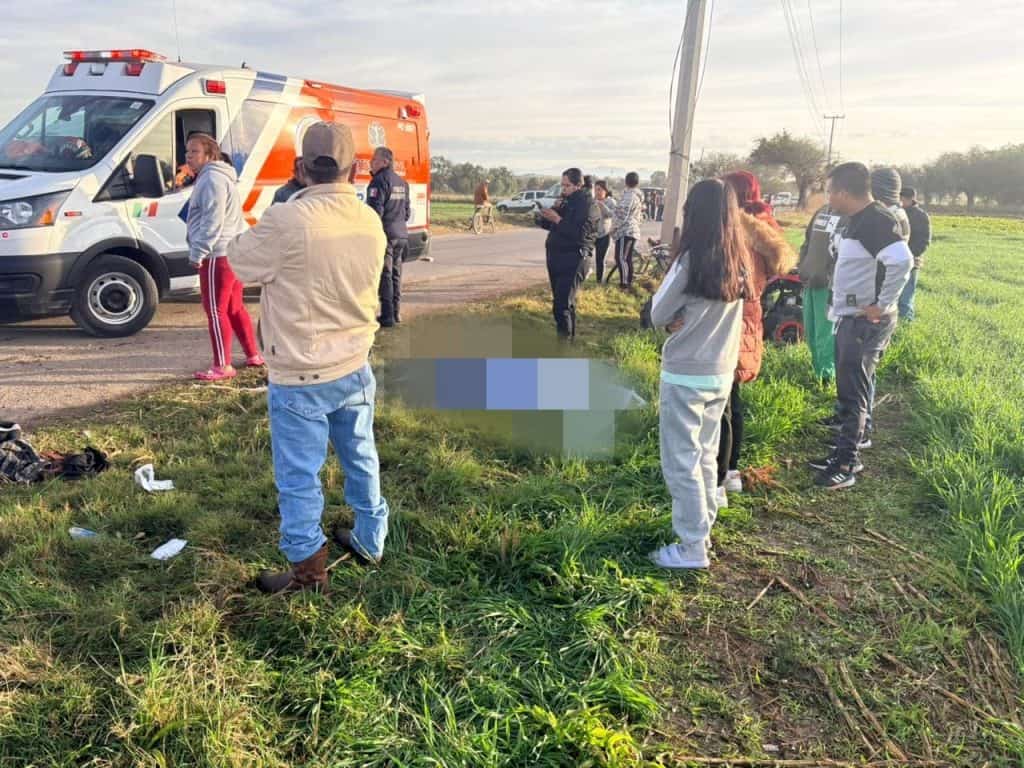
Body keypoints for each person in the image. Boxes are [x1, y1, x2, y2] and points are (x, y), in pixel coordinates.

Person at [227, 121, 390, 593]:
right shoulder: (368, 219)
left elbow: (240, 260)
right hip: (354, 362)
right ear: (356, 169)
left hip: (300, 370)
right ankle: (369, 538)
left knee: (299, 476)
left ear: (300, 168)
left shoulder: (287, 219)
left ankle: (307, 572)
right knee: (362, 455)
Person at [648, 179, 750, 569]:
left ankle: (692, 547)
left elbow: (658, 312)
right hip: (721, 372)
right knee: (706, 455)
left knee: (681, 461)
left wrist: (675, 317)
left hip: (686, 372)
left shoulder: (690, 261)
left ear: (694, 213)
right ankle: (703, 528)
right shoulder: (738, 258)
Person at [809, 162, 912, 490]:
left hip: (865, 323)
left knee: (854, 392)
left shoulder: (877, 221)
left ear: (842, 191)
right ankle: (842, 451)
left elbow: (903, 262)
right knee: (848, 386)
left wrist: (881, 305)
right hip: (849, 318)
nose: (827, 198)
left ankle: (847, 463)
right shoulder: (858, 220)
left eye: (829, 191)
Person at [716, 171, 796, 504]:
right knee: (731, 399)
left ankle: (721, 475)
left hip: (732, 318)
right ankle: (730, 471)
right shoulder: (764, 229)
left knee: (722, 401)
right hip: (750, 318)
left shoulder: (741, 229)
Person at [184, 133, 262, 381]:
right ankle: (253, 355)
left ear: (209, 155)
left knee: (215, 310)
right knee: (234, 307)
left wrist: (199, 251)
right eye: (187, 152)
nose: (189, 157)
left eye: (194, 152)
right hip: (231, 251)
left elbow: (212, 220)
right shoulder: (220, 177)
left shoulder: (211, 181)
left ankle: (222, 365)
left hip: (217, 254)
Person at [538, 168, 600, 340]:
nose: (563, 189)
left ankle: (564, 346)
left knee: (562, 305)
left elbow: (579, 235)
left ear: (578, 185)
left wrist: (558, 219)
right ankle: (566, 340)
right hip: (556, 256)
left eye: (567, 185)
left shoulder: (588, 205)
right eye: (562, 185)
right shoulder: (566, 202)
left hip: (574, 258)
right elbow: (548, 226)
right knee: (561, 303)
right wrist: (549, 213)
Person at [798, 201, 845, 383]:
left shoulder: (849, 216)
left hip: (829, 285)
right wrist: (803, 265)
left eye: (833, 188)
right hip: (810, 280)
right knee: (811, 330)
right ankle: (817, 369)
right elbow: (808, 241)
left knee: (825, 334)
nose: (829, 194)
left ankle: (827, 376)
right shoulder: (822, 211)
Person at [367, 146, 411, 327]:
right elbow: (407, 212)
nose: (371, 163)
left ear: (385, 162)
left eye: (374, 160)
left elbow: (374, 212)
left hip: (386, 234)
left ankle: (387, 317)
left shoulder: (378, 181)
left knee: (385, 275)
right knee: (396, 274)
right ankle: (396, 312)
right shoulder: (402, 182)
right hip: (401, 234)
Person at [899, 186, 931, 321]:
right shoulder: (897, 212)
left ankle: (906, 325)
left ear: (912, 199)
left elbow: (924, 241)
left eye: (904, 199)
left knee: (906, 298)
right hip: (894, 261)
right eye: (900, 198)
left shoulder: (921, 216)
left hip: (912, 262)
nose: (901, 201)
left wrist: (911, 256)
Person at [610, 172, 644, 288]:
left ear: (626, 182)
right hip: (633, 230)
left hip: (625, 231)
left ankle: (624, 284)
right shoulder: (638, 196)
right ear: (637, 183)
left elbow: (621, 215)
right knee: (627, 258)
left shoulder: (629, 196)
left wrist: (613, 228)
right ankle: (628, 282)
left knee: (621, 258)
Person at [593, 180, 617, 284]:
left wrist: (602, 206)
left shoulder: (611, 202)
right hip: (592, 234)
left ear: (605, 190)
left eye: (599, 189)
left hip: (604, 235)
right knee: (585, 258)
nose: (597, 192)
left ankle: (600, 282)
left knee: (600, 259)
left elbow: (612, 215)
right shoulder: (592, 201)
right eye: (595, 189)